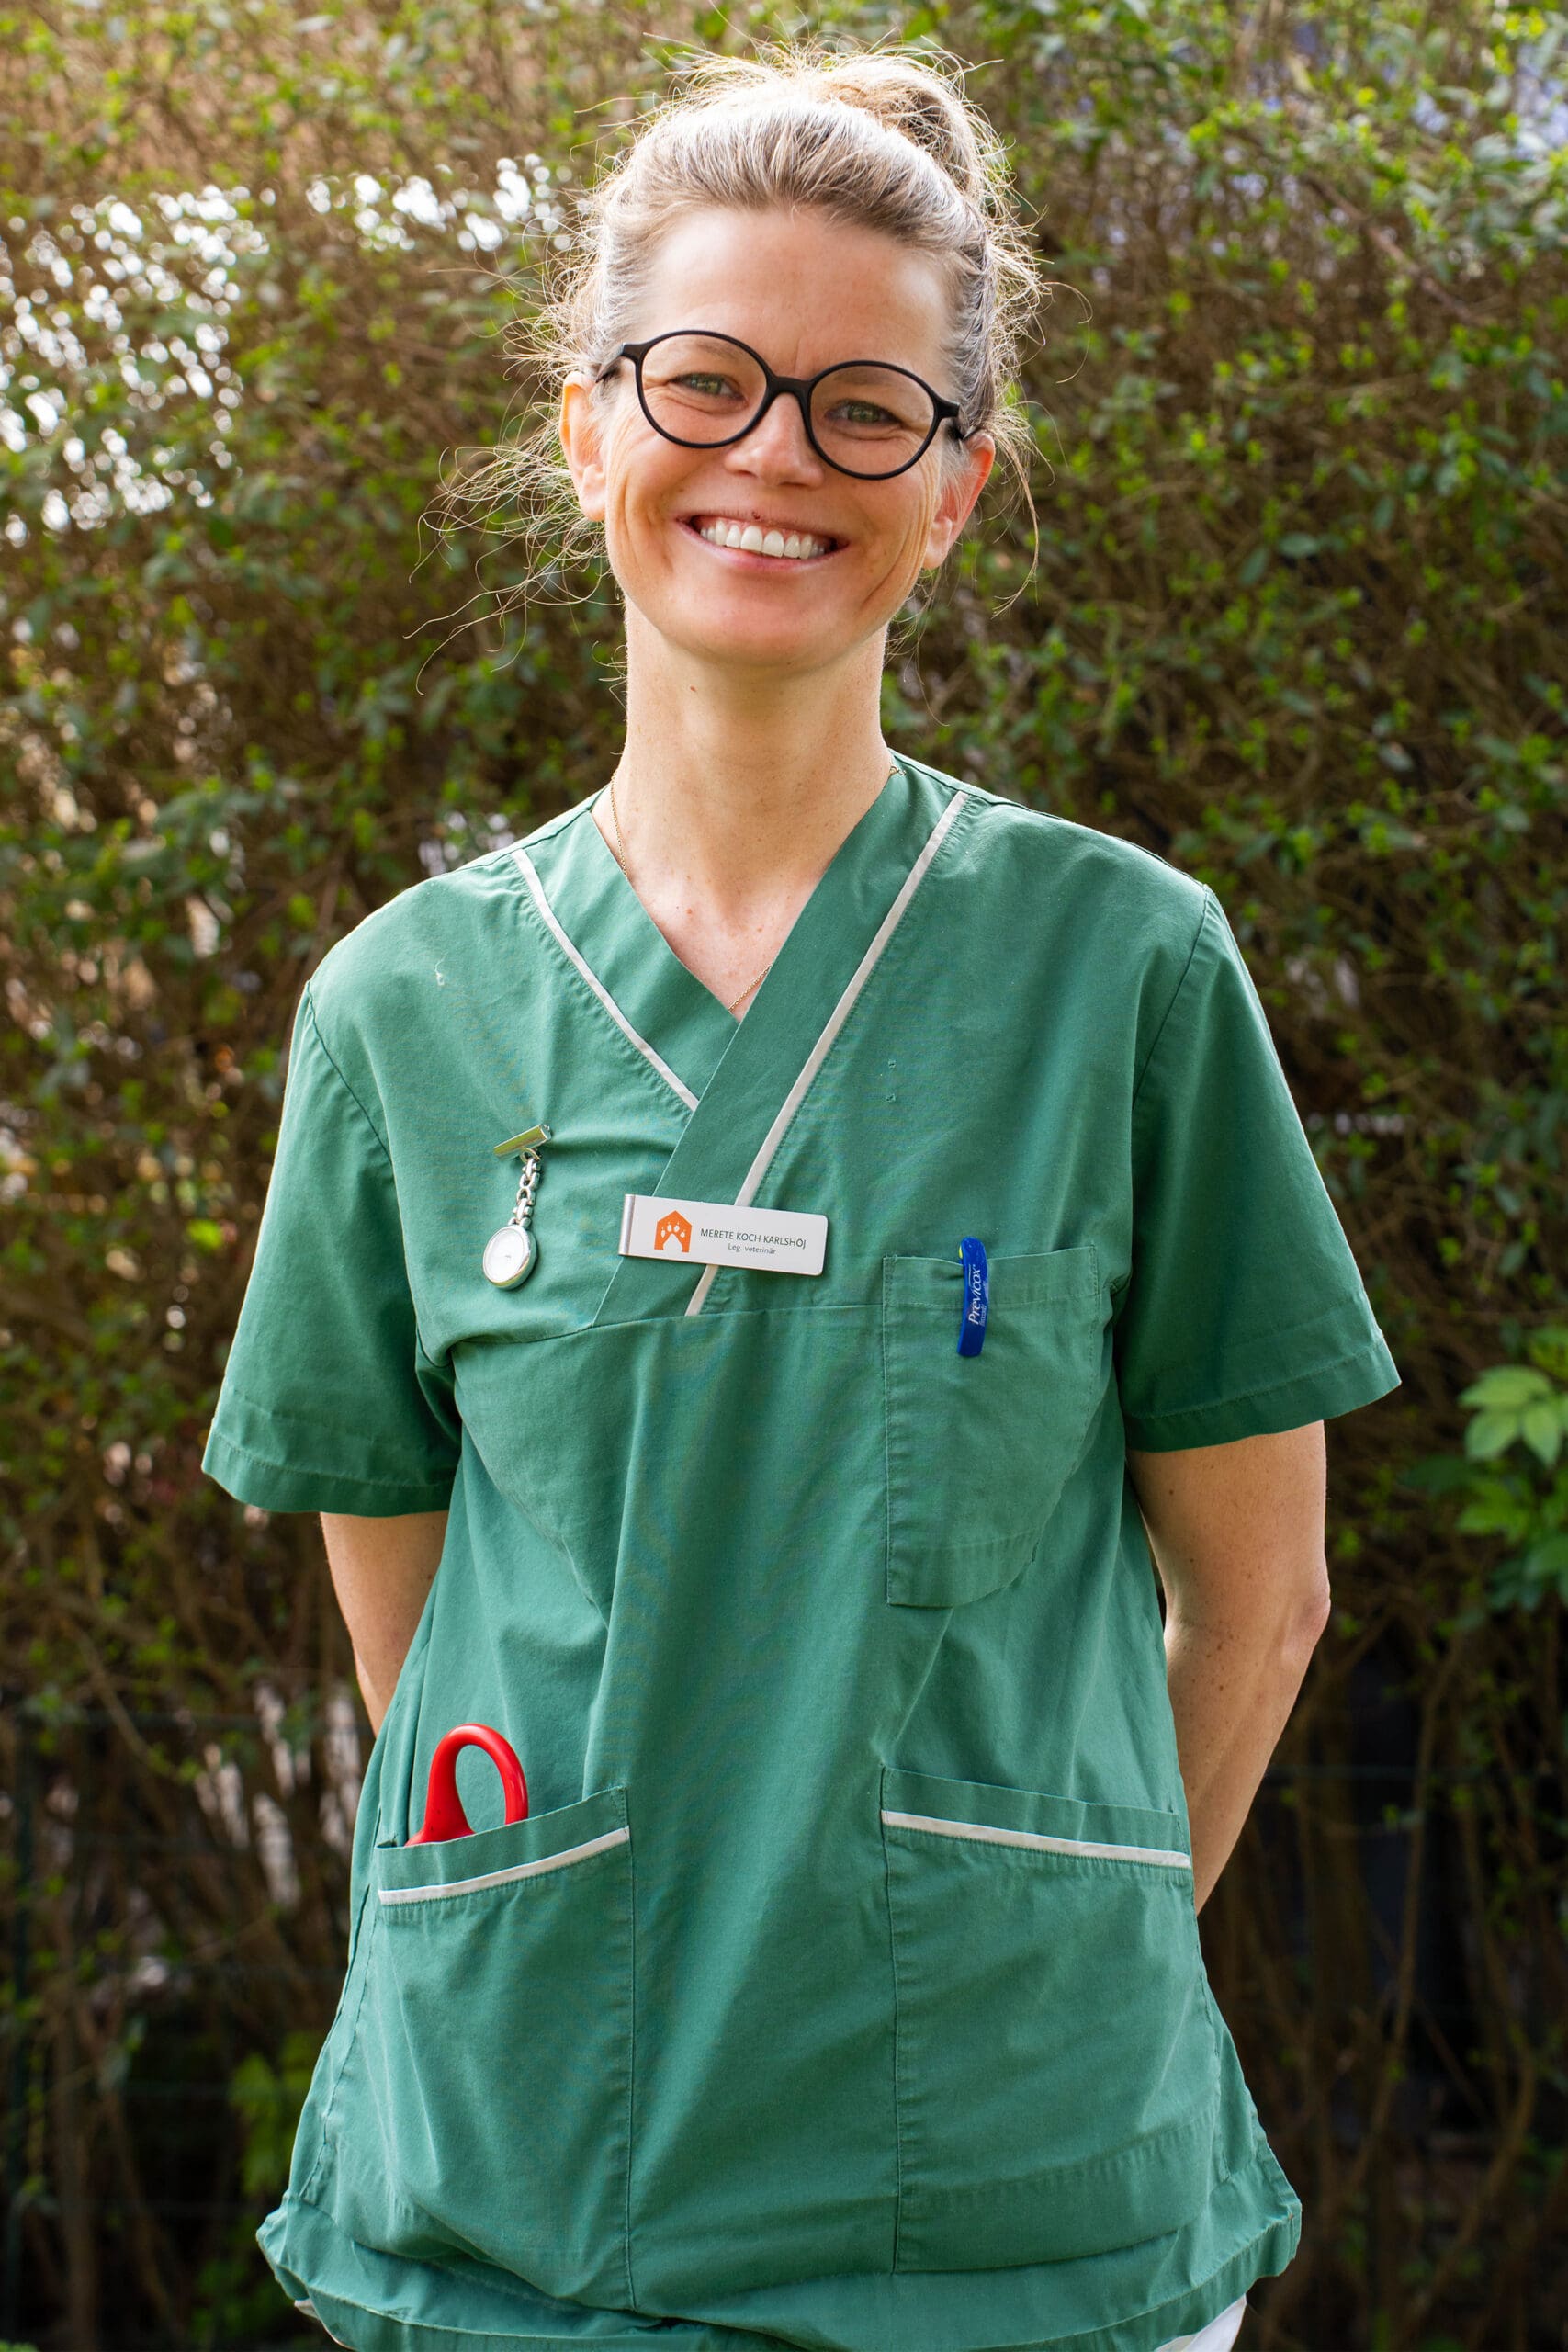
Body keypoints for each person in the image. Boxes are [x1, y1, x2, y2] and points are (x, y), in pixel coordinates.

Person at [201, 38, 1401, 2352]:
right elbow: (415, 1637)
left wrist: (1039, 1938)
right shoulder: (405, 1012)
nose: (774, 454)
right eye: (705, 380)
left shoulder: (1121, 972)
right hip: (526, 2193)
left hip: (1018, 2211)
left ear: (953, 489)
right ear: (588, 427)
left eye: (865, 408)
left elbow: (1257, 1604)